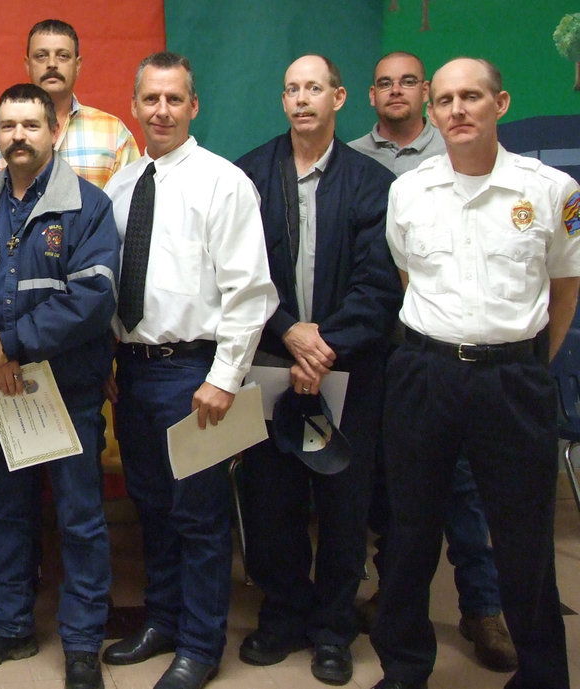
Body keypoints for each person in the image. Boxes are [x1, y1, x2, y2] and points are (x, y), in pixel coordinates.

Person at [370, 57, 580, 689]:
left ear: (501, 103)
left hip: (512, 381)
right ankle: (405, 669)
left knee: (524, 542)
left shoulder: (551, 191)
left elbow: (565, 288)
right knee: (409, 537)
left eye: (473, 97)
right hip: (424, 373)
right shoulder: (409, 191)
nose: (458, 110)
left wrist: (525, 366)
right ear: (433, 111)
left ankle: (542, 675)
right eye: (446, 100)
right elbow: (408, 278)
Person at [100, 52, 277, 689]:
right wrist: (112, 357)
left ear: (194, 106)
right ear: (135, 105)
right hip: (136, 372)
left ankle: (200, 647)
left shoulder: (223, 183)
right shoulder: (120, 187)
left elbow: (250, 292)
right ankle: (164, 621)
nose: (163, 111)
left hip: (196, 374)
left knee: (200, 516)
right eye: (152, 99)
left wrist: (225, 377)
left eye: (175, 99)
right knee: (151, 506)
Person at [0, 83, 119, 689]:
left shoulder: (87, 206)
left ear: (53, 132)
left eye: (31, 125)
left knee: (80, 518)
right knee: (6, 513)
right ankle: (11, 627)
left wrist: (11, 344)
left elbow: (92, 301)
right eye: (8, 125)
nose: (19, 136)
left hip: (68, 390)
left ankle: (83, 643)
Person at [234, 54, 401, 686]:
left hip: (350, 369)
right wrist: (289, 335)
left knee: (343, 502)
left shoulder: (372, 183)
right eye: (292, 89)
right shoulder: (250, 174)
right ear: (283, 102)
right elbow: (241, 274)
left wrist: (324, 346)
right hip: (272, 366)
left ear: (339, 98)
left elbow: (379, 285)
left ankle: (334, 628)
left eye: (315, 88)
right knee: (270, 501)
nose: (303, 99)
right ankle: (281, 617)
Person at [348, 51, 516, 672]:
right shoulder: (356, 159)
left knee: (465, 488)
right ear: (369, 95)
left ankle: (484, 606)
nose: (398, 92)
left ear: (427, 93)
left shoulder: (455, 150)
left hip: (463, 354)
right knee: (397, 489)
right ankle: (394, 600)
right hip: (390, 347)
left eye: (409, 82)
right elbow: (395, 268)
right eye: (384, 82)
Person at [0, 19, 138, 189]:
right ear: (28, 65)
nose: (52, 64)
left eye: (63, 56)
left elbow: (129, 206)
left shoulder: (113, 132)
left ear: (77, 65)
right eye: (41, 56)